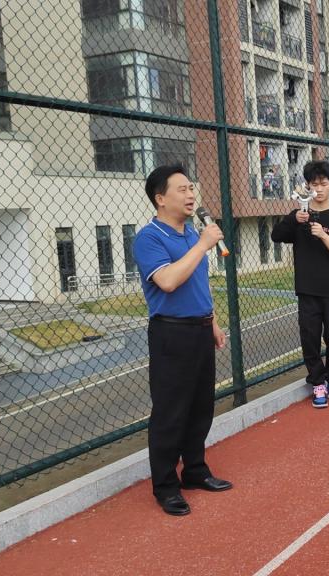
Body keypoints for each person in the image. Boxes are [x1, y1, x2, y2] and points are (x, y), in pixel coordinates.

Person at [132, 165, 232, 517]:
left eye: (192, 188)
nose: (191, 195)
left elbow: (198, 283)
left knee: (200, 407)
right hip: (171, 333)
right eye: (182, 189)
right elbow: (169, 281)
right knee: (170, 412)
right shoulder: (149, 238)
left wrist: (213, 321)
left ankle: (195, 471)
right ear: (160, 198)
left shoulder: (191, 233)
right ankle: (165, 486)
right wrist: (204, 245)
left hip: (200, 329)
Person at [271, 160, 329, 409]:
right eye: (314, 184)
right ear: (307, 187)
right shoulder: (299, 216)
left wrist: (322, 235)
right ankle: (318, 383)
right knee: (310, 338)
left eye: (323, 183)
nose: (319, 189)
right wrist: (294, 220)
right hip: (307, 290)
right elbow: (276, 236)